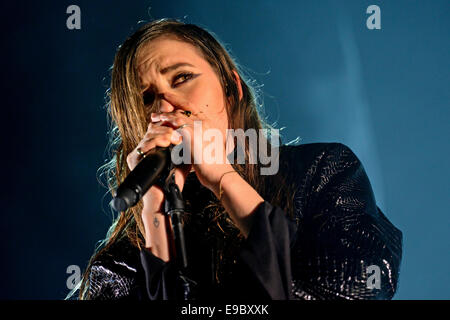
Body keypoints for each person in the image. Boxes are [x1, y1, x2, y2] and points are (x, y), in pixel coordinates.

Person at [74, 19, 403, 300]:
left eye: (181, 78)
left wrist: (222, 177)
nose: (164, 107)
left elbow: (354, 287)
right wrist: (155, 225)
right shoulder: (121, 262)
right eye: (147, 99)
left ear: (231, 89)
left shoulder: (320, 172)